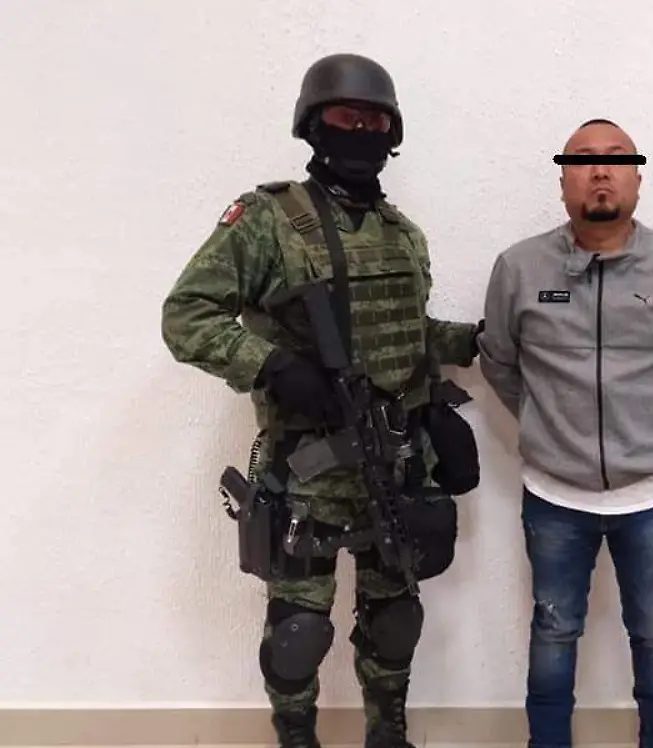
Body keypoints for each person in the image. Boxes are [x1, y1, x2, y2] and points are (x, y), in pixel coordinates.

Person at [160, 53, 482, 748]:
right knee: (298, 633)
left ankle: (387, 733)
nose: (361, 130)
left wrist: (475, 340)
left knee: (396, 622)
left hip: (395, 467)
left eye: (375, 121)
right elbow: (186, 315)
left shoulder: (403, 234)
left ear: (393, 134)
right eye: (345, 117)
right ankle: (296, 736)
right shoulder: (268, 220)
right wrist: (272, 364)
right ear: (313, 126)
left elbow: (411, 337)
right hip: (310, 474)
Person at [475, 118, 653, 748]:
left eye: (617, 158)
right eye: (582, 160)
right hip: (555, 496)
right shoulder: (519, 268)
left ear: (637, 177)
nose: (600, 171)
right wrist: (548, 425)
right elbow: (500, 362)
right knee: (553, 630)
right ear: (563, 179)